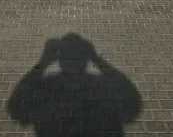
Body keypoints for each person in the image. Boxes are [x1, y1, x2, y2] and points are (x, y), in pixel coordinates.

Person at [8, 33, 142, 136]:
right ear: (86, 59)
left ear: (59, 59)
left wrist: (44, 61)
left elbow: (17, 108)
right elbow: (132, 104)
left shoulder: (46, 87)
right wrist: (97, 59)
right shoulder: (101, 86)